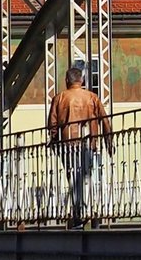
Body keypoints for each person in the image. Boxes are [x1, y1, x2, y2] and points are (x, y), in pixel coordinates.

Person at [47, 64, 110, 224]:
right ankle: (92, 210)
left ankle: (78, 212)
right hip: (90, 142)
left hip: (67, 144)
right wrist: (108, 140)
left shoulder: (59, 98)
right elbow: (104, 119)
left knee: (73, 176)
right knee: (89, 176)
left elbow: (52, 124)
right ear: (81, 80)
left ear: (67, 80)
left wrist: (54, 141)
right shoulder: (92, 97)